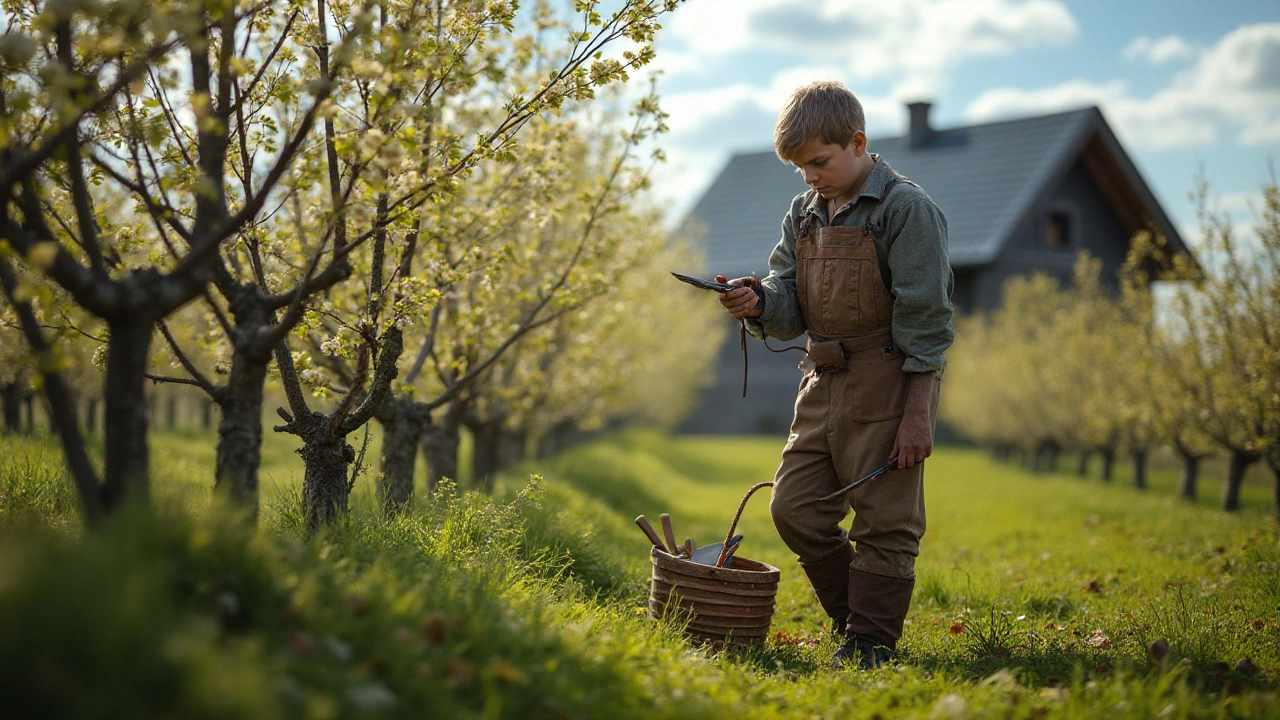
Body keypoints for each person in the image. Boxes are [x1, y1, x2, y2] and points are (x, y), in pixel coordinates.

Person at [716, 81, 954, 669]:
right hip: (820, 381)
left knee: (885, 519)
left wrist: (918, 414)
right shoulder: (803, 212)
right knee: (793, 507)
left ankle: (870, 643)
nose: (809, 178)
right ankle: (857, 623)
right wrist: (758, 301)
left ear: (858, 142)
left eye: (818, 162)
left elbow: (927, 321)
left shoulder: (906, 209)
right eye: (800, 168)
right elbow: (788, 295)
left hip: (889, 382)